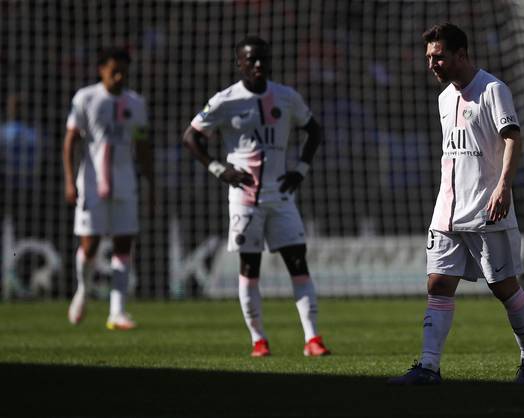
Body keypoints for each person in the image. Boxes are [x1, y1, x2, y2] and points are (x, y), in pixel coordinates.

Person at [388, 23, 524, 384]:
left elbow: (512, 139)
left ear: (462, 54)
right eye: (430, 57)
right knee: (438, 284)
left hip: (487, 209)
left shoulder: (493, 90)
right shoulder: (444, 97)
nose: (433, 63)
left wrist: (503, 187)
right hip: (446, 212)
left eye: (439, 56)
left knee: (503, 287)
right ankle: (428, 366)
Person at [182, 36, 330, 357]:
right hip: (244, 197)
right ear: (240, 64)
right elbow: (191, 137)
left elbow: (314, 130)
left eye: (263, 58)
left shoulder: (286, 97)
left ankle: (313, 339)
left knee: (298, 263)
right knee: (250, 267)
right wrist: (220, 170)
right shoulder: (225, 101)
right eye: (251, 60)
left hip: (281, 194)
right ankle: (258, 340)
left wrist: (300, 170)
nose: (258, 64)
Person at [63, 47, 153, 330]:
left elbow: (141, 145)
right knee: (90, 245)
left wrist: (151, 184)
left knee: (124, 244)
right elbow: (70, 141)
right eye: (113, 69)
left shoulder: (136, 103)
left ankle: (118, 311)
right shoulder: (86, 98)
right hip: (91, 183)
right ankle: (82, 290)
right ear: (101, 69)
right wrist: (69, 180)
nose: (118, 75)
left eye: (123, 70)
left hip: (125, 182)